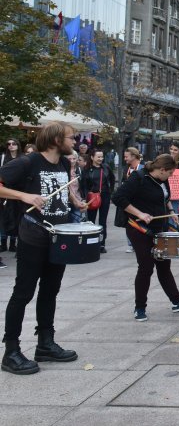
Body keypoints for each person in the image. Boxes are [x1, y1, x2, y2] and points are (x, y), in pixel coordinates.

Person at [0, 122, 85, 374]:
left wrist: (75, 201)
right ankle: (11, 351)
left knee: (50, 290)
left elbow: (58, 189)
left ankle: (45, 343)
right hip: (33, 235)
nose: (75, 142)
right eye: (71, 138)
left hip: (57, 237)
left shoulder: (60, 163)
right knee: (23, 292)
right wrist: (23, 196)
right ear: (56, 140)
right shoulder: (27, 162)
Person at [111, 154, 179, 322]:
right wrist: (140, 214)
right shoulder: (138, 178)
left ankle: (177, 301)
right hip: (139, 229)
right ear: (162, 170)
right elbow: (118, 198)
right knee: (146, 267)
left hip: (159, 227)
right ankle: (139, 307)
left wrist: (171, 212)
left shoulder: (162, 179)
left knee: (164, 265)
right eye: (170, 174)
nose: (171, 177)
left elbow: (165, 198)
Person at [81, 150, 115, 253]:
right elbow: (83, 185)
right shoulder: (87, 169)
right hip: (92, 197)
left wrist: (110, 192)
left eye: (102, 157)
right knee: (91, 221)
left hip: (104, 196)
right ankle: (91, 242)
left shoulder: (106, 167)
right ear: (92, 157)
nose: (100, 159)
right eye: (98, 157)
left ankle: (101, 244)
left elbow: (112, 180)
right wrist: (84, 197)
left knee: (102, 221)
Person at [120, 148, 145, 252]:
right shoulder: (127, 169)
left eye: (126, 156)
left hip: (140, 201)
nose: (125, 159)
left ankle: (140, 243)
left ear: (134, 156)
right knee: (129, 222)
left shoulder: (143, 168)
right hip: (128, 201)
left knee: (140, 222)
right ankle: (131, 244)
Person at [1, 138, 22, 253]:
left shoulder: (22, 158)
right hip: (4, 191)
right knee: (4, 217)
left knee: (16, 217)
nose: (11, 145)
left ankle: (13, 244)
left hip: (18, 191)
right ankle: (3, 243)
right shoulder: (3, 157)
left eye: (14, 143)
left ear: (18, 145)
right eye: (8, 144)